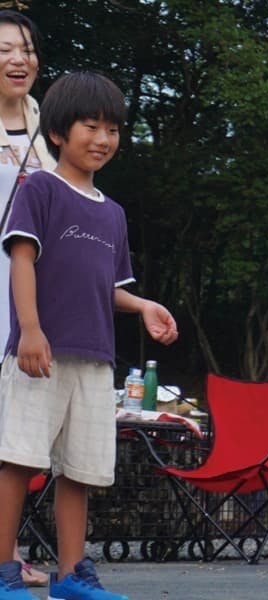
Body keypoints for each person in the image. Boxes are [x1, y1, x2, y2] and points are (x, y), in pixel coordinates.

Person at [0, 71, 179, 600]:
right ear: (58, 132)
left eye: (113, 129)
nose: (103, 139)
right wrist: (30, 330)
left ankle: (72, 576)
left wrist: (143, 305)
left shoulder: (114, 213)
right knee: (18, 460)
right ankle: (4, 572)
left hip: (96, 358)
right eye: (91, 126)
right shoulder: (39, 188)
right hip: (40, 355)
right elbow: (21, 261)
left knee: (80, 470)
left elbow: (109, 287)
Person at [0, 10, 54, 590]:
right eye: (4, 50)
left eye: (27, 49)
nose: (19, 59)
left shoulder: (47, 125)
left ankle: (6, 554)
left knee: (11, 431)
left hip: (27, 296)